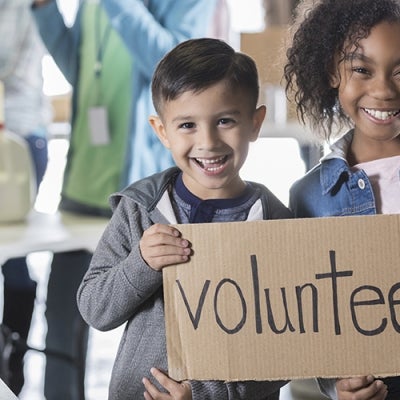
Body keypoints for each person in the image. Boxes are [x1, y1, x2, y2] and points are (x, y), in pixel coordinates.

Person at [77, 37, 292, 400]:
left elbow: (290, 347)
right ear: (162, 131)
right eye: (187, 125)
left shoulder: (276, 224)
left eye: (224, 120)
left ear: (255, 123)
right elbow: (95, 308)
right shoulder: (139, 208)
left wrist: (206, 393)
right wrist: (141, 264)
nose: (208, 142)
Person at [31, 1, 217, 399]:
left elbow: (176, 76)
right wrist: (44, 11)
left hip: (141, 195)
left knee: (153, 328)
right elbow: (79, 68)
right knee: (64, 317)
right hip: (81, 183)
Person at [284, 0, 400, 399]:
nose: (384, 89)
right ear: (333, 71)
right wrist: (338, 386)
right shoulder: (309, 196)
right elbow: (315, 319)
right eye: (362, 70)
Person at [0, 0, 51, 394]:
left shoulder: (22, 8)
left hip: (17, 136)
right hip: (22, 129)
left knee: (14, 259)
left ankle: (10, 366)